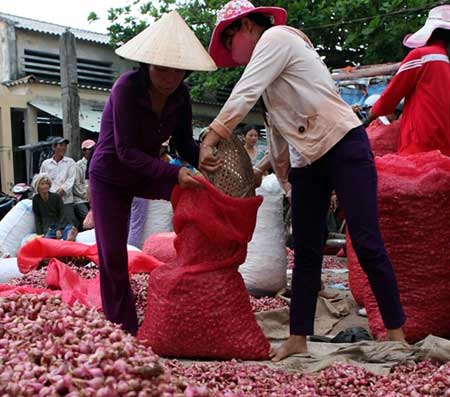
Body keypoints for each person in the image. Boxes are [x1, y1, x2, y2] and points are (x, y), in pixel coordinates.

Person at [200, 0, 406, 361]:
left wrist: (213, 136)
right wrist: (288, 184)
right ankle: (298, 337)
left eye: (231, 40)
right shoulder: (267, 74)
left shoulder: (276, 38)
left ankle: (396, 332)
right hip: (309, 160)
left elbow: (244, 91)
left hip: (343, 144)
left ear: (247, 27)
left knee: (367, 240)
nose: (233, 51)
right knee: (306, 249)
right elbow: (280, 139)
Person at [88, 10, 217, 335]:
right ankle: (123, 328)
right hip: (109, 176)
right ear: (147, 65)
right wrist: (173, 174)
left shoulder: (181, 96)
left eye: (177, 70)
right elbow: (125, 151)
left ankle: (197, 280)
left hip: (145, 170)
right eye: (162, 68)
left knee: (195, 192)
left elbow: (184, 143)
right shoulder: (126, 89)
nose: (170, 77)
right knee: (113, 254)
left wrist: (204, 161)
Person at [369, 5, 450, 155]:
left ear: (430, 32)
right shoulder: (445, 61)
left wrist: (371, 114)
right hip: (445, 146)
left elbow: (390, 97)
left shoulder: (421, 56)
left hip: (421, 142)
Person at [40, 137, 77, 228]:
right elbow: (43, 180)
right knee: (53, 227)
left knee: (70, 226)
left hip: (66, 200)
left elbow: (71, 179)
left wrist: (63, 189)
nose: (63, 148)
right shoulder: (46, 164)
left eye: (65, 145)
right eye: (61, 145)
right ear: (54, 147)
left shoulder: (70, 162)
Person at [31, 173, 77, 241]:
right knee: (47, 240)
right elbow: (37, 217)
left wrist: (59, 229)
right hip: (48, 227)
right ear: (37, 186)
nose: (45, 186)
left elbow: (62, 214)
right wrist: (40, 233)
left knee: (67, 232)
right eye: (42, 184)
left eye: (47, 184)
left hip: (61, 224)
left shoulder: (56, 197)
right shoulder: (35, 199)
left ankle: (70, 235)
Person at [73, 139, 96, 230]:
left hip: (94, 197)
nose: (90, 151)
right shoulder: (78, 165)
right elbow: (77, 185)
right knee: (88, 219)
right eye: (89, 149)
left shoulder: (97, 162)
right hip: (81, 199)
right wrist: (88, 195)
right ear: (84, 151)